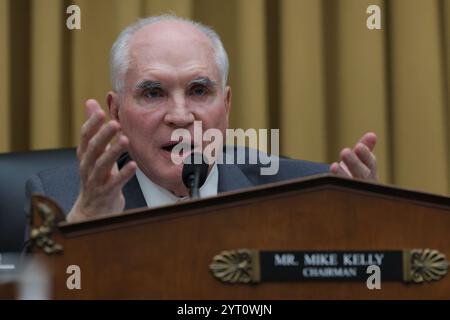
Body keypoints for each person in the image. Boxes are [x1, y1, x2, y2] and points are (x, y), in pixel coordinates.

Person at [25, 15, 377, 223]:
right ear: (116, 110)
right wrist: (85, 230)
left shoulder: (308, 196)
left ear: (225, 105)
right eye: (153, 93)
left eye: (198, 91)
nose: (180, 116)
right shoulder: (58, 199)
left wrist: (375, 230)